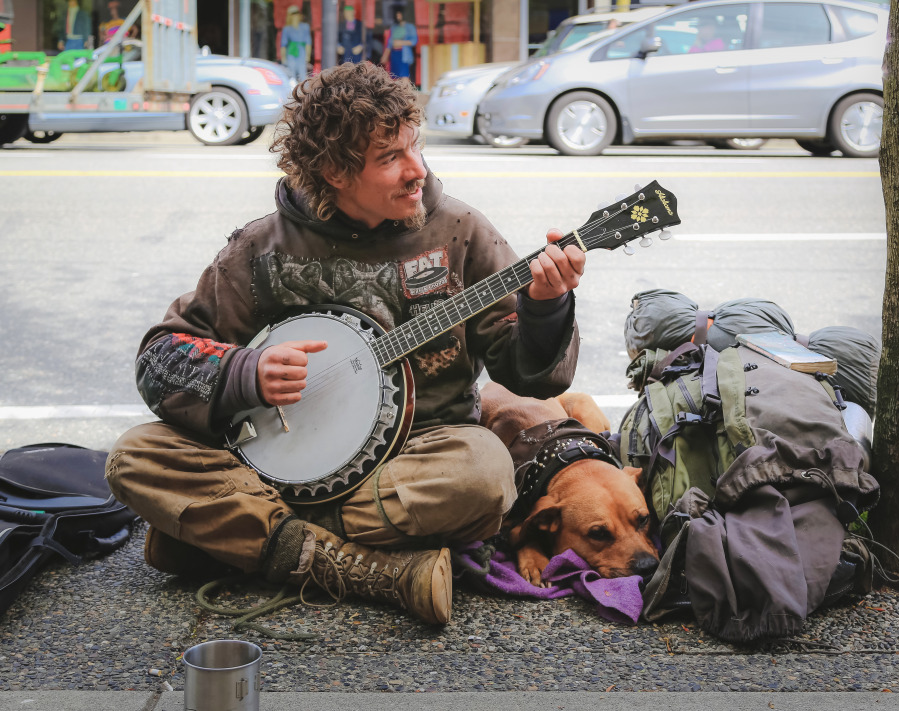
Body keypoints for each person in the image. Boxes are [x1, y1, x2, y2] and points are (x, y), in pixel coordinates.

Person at [105, 62, 586, 627]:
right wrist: (244, 373)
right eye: (390, 159)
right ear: (334, 170)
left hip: (416, 456)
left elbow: (532, 377)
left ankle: (238, 536)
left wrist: (546, 306)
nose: (417, 171)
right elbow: (162, 358)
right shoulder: (260, 247)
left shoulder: (458, 231)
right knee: (135, 456)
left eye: (415, 148)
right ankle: (365, 568)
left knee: (483, 474)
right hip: (273, 462)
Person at [279, 5, 312, 81]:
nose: (295, 16)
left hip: (301, 52)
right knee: (291, 75)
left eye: (296, 14)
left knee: (302, 74)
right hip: (291, 52)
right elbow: (283, 45)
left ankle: (303, 91)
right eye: (293, 14)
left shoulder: (305, 27)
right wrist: (283, 59)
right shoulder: (287, 29)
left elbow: (308, 43)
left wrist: (308, 56)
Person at [383, 9, 417, 79]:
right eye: (397, 15)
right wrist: (385, 55)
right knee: (394, 76)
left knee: (404, 75)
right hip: (394, 54)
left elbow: (414, 41)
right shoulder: (394, 27)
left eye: (400, 15)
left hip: (404, 54)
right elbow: (390, 43)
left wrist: (400, 42)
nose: (398, 17)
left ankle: (406, 90)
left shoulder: (410, 27)